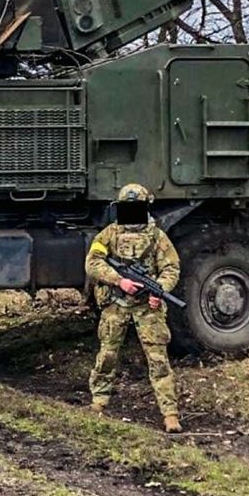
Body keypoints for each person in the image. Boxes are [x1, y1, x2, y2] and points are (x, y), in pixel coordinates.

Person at [85, 182, 182, 433]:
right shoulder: (108, 234)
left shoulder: (157, 237)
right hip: (116, 303)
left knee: (158, 360)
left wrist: (158, 290)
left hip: (146, 307)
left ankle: (170, 413)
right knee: (107, 355)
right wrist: (119, 280)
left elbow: (171, 268)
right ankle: (99, 402)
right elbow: (93, 262)